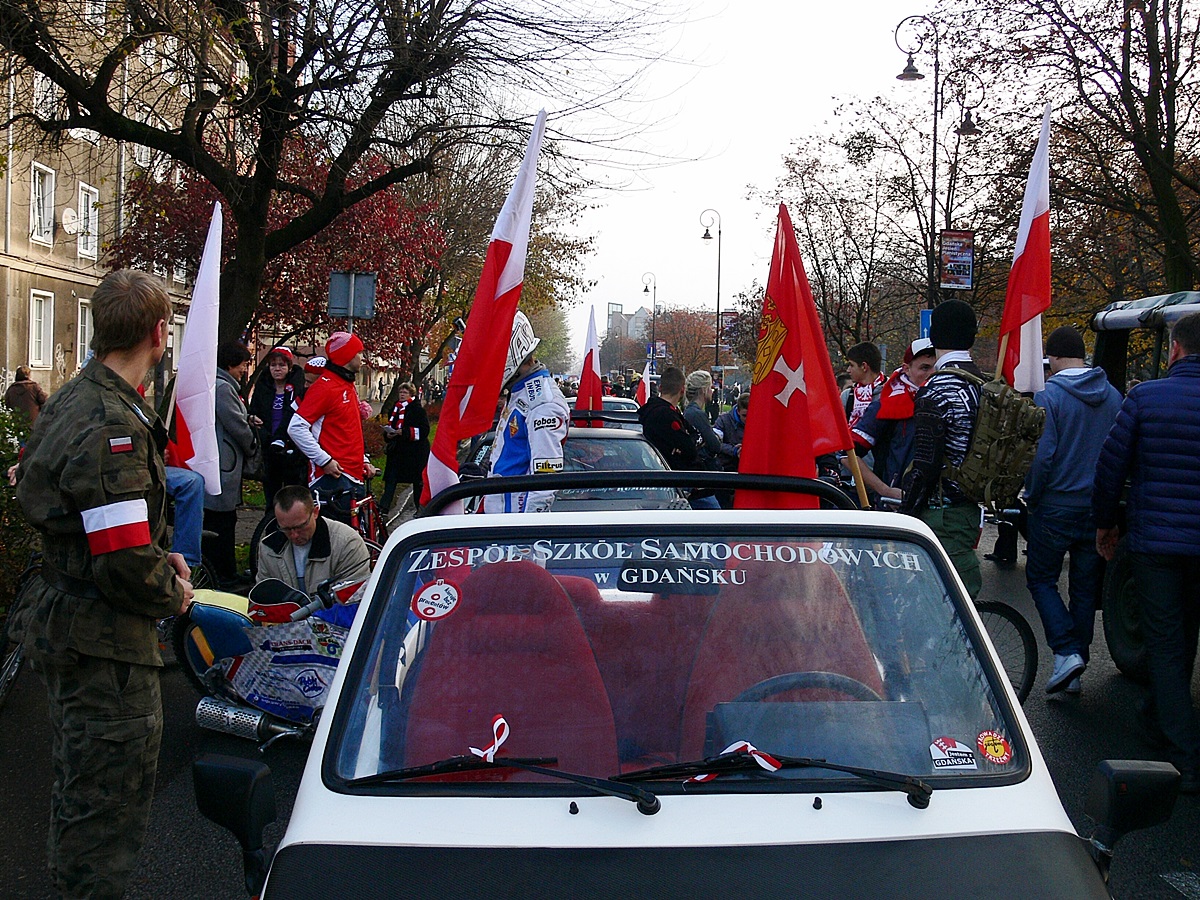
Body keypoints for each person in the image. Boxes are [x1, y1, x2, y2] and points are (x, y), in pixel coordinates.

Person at [8, 269, 193, 899]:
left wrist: (152, 556)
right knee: (106, 808)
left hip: (68, 619)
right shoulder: (114, 424)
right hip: (103, 644)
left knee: (79, 784)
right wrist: (172, 590)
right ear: (159, 333)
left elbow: (64, 504)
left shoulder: (75, 395)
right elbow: (123, 562)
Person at [1093, 311, 1200, 793]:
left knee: (1165, 639)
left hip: (1156, 542)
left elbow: (1111, 466)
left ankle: (1184, 756)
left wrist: (1105, 524)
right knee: (1186, 632)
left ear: (1174, 348)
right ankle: (1159, 714)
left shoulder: (1146, 398)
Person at [1023, 326, 1122, 696]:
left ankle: (1066, 652)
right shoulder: (1113, 396)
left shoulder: (1049, 397)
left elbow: (1042, 457)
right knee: (1083, 588)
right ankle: (1075, 665)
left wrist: (1032, 495)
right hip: (1096, 507)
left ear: (1052, 358)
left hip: (1055, 505)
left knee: (1041, 579)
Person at [898, 300, 985, 598]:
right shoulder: (985, 384)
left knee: (940, 604)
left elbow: (926, 464)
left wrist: (905, 513)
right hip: (970, 509)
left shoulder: (936, 390)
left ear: (933, 336)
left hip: (940, 513)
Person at [483, 312, 569, 514]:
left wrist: (526, 528)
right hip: (500, 508)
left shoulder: (543, 403)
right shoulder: (521, 391)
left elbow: (545, 480)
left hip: (514, 516)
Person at [289, 333, 378, 525]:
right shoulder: (325, 387)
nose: (361, 358)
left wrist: (363, 460)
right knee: (336, 540)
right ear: (347, 356)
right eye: (358, 353)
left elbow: (349, 430)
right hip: (332, 478)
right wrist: (324, 460)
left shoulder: (347, 385)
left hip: (352, 475)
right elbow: (296, 427)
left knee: (354, 538)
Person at [852, 338, 937, 502]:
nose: (933, 373)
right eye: (925, 367)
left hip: (937, 506)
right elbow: (847, 455)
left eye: (937, 367)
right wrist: (885, 490)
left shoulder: (951, 404)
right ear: (906, 369)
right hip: (895, 507)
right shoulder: (885, 406)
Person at [203, 342, 258, 588]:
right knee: (222, 522)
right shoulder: (223, 388)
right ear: (230, 364)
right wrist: (252, 443)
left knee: (222, 521)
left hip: (222, 461)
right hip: (225, 463)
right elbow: (235, 424)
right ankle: (223, 575)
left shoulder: (219, 384)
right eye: (243, 365)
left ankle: (223, 570)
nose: (244, 370)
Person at [256, 484, 371, 594]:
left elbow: (352, 599)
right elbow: (263, 598)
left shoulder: (348, 544)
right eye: (286, 529)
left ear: (315, 512)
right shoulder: (268, 548)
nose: (294, 535)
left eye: (300, 526)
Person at [248, 346, 307, 509]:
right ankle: (271, 521)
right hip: (269, 448)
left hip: (292, 450)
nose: (277, 369)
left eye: (282, 365)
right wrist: (251, 418)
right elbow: (253, 411)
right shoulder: (263, 387)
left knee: (292, 495)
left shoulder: (297, 389)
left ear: (289, 367)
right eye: (273, 365)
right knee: (271, 494)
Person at [381, 381, 430, 514]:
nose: (402, 395)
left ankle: (420, 509)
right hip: (398, 452)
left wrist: (406, 432)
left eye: (405, 392)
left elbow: (424, 430)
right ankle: (383, 508)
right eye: (400, 392)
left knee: (417, 482)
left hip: (415, 453)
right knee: (391, 480)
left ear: (411, 394)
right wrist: (388, 434)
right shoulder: (395, 408)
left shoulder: (418, 410)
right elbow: (391, 426)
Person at [682, 370, 723, 510]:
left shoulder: (689, 411)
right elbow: (715, 446)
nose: (712, 390)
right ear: (703, 390)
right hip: (702, 475)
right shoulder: (697, 414)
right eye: (710, 387)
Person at [844, 341, 886, 436]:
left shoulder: (890, 393)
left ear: (864, 366)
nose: (848, 370)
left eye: (851, 365)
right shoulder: (848, 396)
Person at [713, 392, 749, 472]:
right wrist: (734, 450)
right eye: (744, 415)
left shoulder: (759, 422)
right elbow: (715, 443)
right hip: (727, 467)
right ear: (738, 411)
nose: (747, 419)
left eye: (750, 415)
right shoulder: (723, 420)